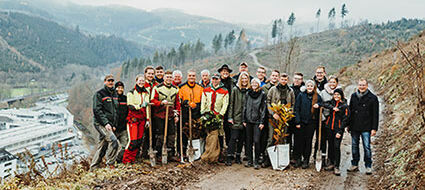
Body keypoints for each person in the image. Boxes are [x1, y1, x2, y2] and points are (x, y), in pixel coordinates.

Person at [347, 78, 379, 175]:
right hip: (354, 126)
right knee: (354, 146)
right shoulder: (353, 96)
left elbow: (375, 115)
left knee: (367, 147)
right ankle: (354, 164)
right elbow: (350, 112)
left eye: (363, 85)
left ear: (367, 86)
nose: (361, 87)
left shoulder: (373, 98)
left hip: (367, 126)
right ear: (358, 86)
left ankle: (368, 166)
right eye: (360, 85)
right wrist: (348, 125)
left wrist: (374, 128)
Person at [265, 73, 295, 167]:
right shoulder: (273, 89)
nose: (283, 81)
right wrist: (273, 113)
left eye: (285, 80)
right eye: (282, 79)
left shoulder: (290, 91)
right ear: (279, 79)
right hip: (274, 118)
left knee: (283, 138)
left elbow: (293, 104)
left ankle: (283, 160)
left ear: (287, 80)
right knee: (271, 138)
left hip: (284, 118)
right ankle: (268, 159)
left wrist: (288, 114)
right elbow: (268, 102)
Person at [90, 74, 120, 169]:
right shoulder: (99, 94)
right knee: (113, 141)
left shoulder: (115, 94)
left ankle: (93, 167)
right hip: (100, 123)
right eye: (108, 80)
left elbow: (116, 111)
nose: (111, 82)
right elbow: (97, 110)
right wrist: (106, 123)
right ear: (105, 82)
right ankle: (110, 164)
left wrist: (114, 124)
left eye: (112, 81)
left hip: (110, 125)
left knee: (102, 146)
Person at [152, 71, 181, 162]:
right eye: (167, 77)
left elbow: (177, 103)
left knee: (172, 135)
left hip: (171, 115)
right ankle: (159, 154)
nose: (168, 79)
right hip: (160, 115)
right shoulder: (157, 88)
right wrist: (161, 103)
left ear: (172, 78)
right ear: (164, 78)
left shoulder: (175, 89)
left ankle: (170, 154)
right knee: (160, 135)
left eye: (170, 77)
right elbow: (153, 100)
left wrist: (177, 115)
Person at [200, 73, 229, 163]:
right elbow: (203, 102)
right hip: (208, 115)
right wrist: (203, 113)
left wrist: (220, 114)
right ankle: (208, 152)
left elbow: (225, 104)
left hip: (218, 115)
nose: (215, 81)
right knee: (208, 134)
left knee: (219, 134)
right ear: (211, 79)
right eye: (213, 79)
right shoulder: (207, 90)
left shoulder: (224, 91)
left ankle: (219, 154)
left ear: (219, 80)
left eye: (216, 79)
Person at [294, 80, 322, 169]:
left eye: (311, 86)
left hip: (311, 122)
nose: (309, 87)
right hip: (301, 122)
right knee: (299, 141)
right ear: (306, 87)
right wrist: (297, 121)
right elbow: (296, 108)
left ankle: (306, 159)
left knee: (308, 141)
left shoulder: (317, 96)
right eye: (308, 86)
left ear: (314, 87)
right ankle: (298, 159)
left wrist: (318, 104)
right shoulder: (301, 95)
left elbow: (322, 103)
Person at [321, 88, 349, 176]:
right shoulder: (331, 102)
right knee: (330, 145)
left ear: (341, 96)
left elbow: (345, 119)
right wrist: (333, 108)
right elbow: (323, 104)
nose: (336, 96)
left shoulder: (344, 106)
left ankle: (337, 166)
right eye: (335, 94)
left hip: (338, 129)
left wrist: (340, 131)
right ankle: (331, 163)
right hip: (329, 127)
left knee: (336, 146)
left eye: (338, 95)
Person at [226, 72, 250, 166]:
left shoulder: (249, 90)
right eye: (242, 78)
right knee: (233, 138)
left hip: (245, 119)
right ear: (240, 79)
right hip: (236, 117)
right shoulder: (235, 89)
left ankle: (238, 156)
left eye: (246, 79)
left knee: (241, 139)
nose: (244, 80)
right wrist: (230, 117)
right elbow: (231, 103)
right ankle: (229, 156)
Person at [316, 75, 342, 166]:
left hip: (334, 120)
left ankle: (332, 159)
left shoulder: (339, 92)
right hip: (324, 119)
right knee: (323, 140)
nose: (332, 84)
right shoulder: (323, 92)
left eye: (334, 82)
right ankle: (322, 158)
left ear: (337, 83)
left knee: (332, 142)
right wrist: (322, 118)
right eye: (330, 82)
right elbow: (321, 104)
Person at [178, 70, 204, 158]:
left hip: (196, 113)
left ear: (195, 77)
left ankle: (197, 151)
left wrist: (196, 106)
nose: (191, 77)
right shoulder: (181, 87)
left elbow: (202, 100)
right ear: (187, 76)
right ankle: (182, 152)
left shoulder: (200, 87)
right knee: (184, 133)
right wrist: (186, 102)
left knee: (196, 133)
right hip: (185, 113)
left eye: (193, 75)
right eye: (190, 75)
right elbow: (179, 101)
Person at [243, 78, 267, 169]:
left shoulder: (262, 94)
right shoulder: (247, 93)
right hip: (248, 121)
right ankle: (250, 160)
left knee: (256, 141)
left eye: (255, 83)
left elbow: (264, 109)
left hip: (257, 121)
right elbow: (245, 107)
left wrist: (262, 121)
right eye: (252, 82)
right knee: (248, 141)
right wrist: (244, 119)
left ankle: (256, 160)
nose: (254, 84)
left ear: (259, 84)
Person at [139, 66, 161, 159]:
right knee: (144, 133)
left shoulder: (157, 85)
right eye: (149, 73)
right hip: (144, 112)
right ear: (145, 74)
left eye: (152, 74)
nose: (151, 75)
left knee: (154, 133)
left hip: (155, 112)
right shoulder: (142, 84)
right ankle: (143, 154)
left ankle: (152, 153)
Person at [218, 64, 234, 161]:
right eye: (223, 71)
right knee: (219, 132)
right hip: (219, 110)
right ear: (220, 72)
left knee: (229, 131)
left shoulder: (232, 82)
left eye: (227, 71)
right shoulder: (217, 82)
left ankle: (229, 152)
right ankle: (220, 151)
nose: (225, 73)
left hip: (229, 110)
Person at [289, 72, 305, 164]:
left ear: (302, 80)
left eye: (299, 79)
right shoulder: (290, 89)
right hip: (289, 117)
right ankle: (289, 156)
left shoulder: (304, 91)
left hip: (299, 118)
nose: (297, 80)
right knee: (288, 138)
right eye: (295, 78)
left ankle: (297, 157)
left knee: (298, 139)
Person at [114, 81, 129, 163]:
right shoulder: (112, 98)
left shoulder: (126, 99)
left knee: (125, 146)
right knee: (113, 146)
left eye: (121, 88)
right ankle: (110, 162)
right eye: (118, 87)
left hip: (123, 128)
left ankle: (119, 160)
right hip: (114, 128)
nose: (120, 89)